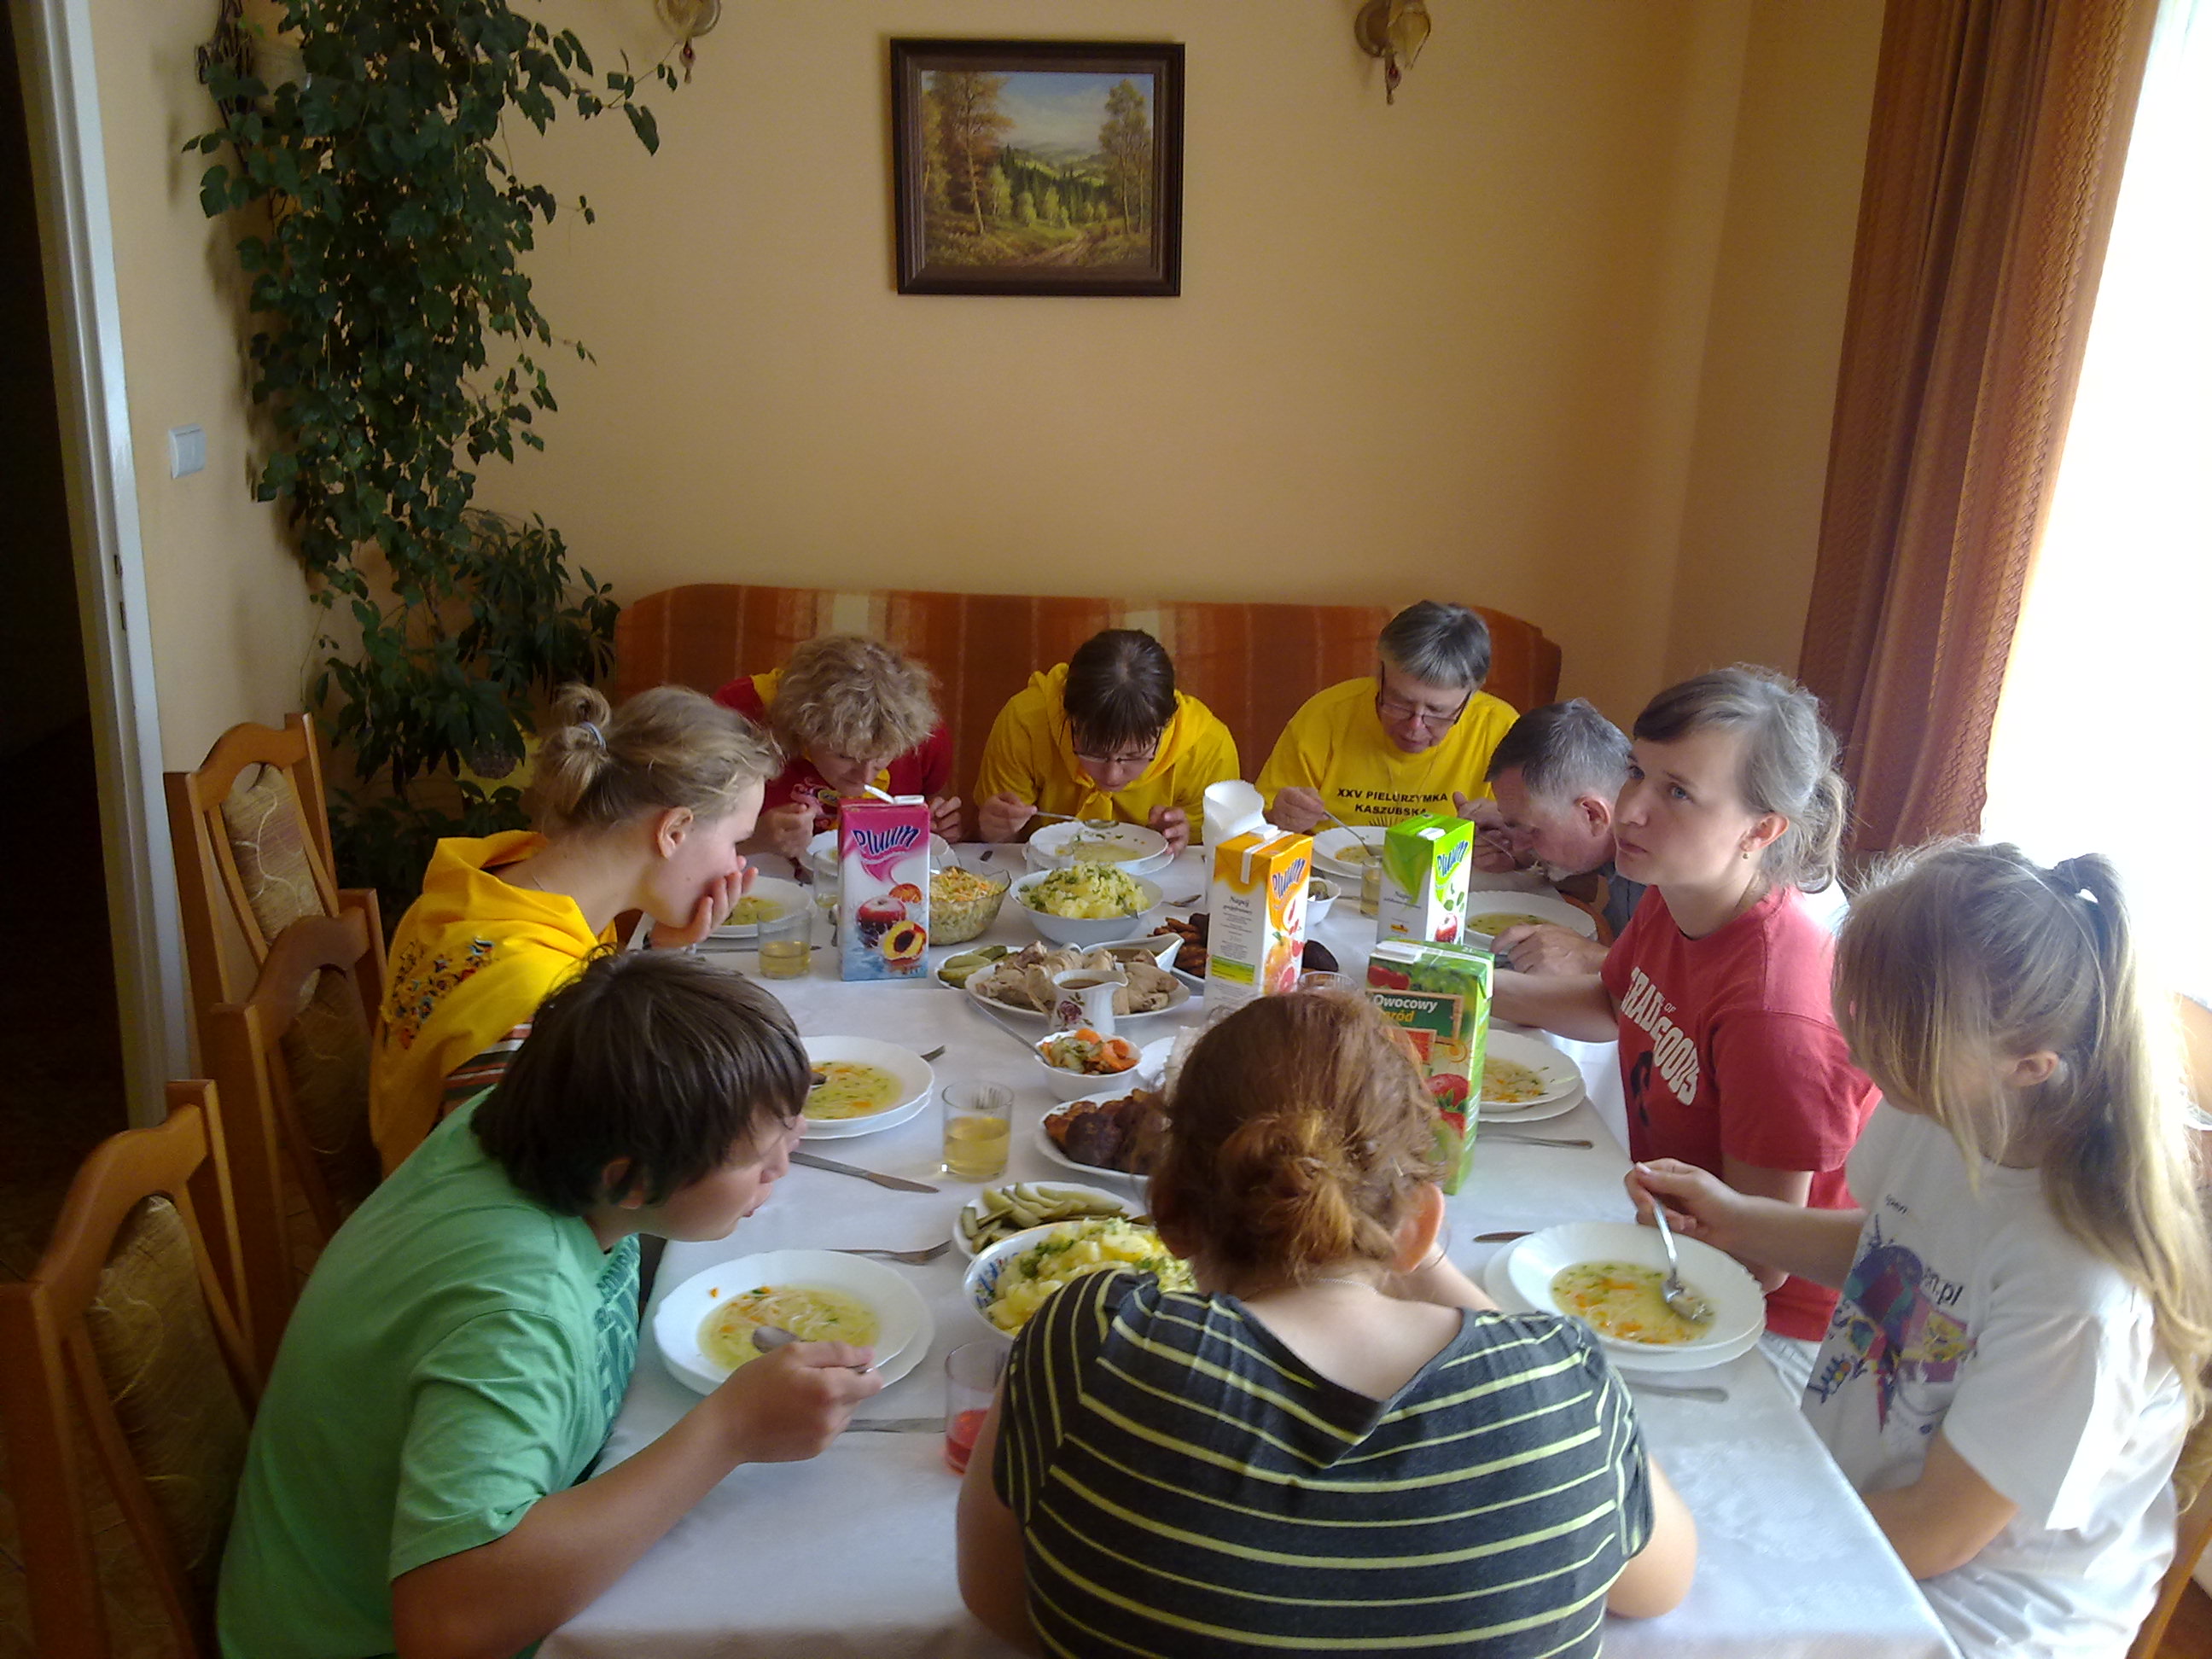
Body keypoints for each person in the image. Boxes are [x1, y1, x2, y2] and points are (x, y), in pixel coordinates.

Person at [957, 991, 1697, 1657]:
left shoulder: (1093, 1343)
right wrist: (1427, 1263)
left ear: (1170, 1214)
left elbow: (1002, 1606)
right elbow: (1659, 1588)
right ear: (1421, 1223)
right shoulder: (1561, 1389)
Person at [1631, 843, 2212, 1659]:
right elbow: (1899, 1254)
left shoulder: (2082, 1288)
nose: (1852, 1040)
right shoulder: (1935, 1104)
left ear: (2029, 1067)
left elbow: (1938, 1532)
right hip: (1857, 1491)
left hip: (1975, 1611)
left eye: (1895, 1026)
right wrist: (1737, 1220)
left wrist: (1729, 1537)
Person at [220, 951, 884, 1658]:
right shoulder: (514, 1312)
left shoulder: (527, 1118)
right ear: (631, 1182)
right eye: (757, 1158)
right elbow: (445, 1626)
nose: (782, 1165)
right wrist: (730, 1431)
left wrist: (756, 1122)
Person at [1492, 667, 1877, 1388]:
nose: (1631, 809)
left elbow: (1759, 1257)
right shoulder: (1676, 895)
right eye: (1638, 772)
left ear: (1761, 830)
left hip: (1769, 1319)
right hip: (1677, 1235)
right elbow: (1614, 1005)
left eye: (1677, 793)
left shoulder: (1776, 1009)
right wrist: (1467, 989)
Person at [370, 683, 773, 1173]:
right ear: (673, 831)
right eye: (737, 842)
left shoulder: (497, 881)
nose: (737, 866)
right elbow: (523, 1181)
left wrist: (657, 953)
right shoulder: (537, 995)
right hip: (471, 1208)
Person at [1258, 600, 1518, 831]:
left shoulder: (1502, 730)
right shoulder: (1325, 715)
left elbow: (1531, 846)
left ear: (1471, 696)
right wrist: (1277, 819)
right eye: (1399, 702)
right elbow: (1256, 826)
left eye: (1437, 711)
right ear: (1379, 674)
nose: (1415, 726)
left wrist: (1510, 835)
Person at [974, 629, 1237, 853]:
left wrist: (1182, 841)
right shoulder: (1027, 722)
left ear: (1167, 724)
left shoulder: (1206, 747)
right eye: (1094, 752)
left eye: (1134, 756)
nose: (1112, 776)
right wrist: (996, 830)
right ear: (1068, 715)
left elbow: (1218, 858)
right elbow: (996, 848)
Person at [713, 633, 961, 860]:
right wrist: (754, 840)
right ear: (803, 729)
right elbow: (692, 836)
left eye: (882, 758)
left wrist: (941, 826)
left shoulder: (920, 732)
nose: (865, 777)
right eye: (845, 756)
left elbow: (935, 803)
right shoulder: (739, 715)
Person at [1471, 698, 1644, 976]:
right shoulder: (1616, 836)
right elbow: (1585, 879)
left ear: (1593, 815)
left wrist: (1596, 958)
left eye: (1532, 830)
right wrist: (1523, 849)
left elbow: (1698, 986)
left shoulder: (1671, 867)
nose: (1518, 843)